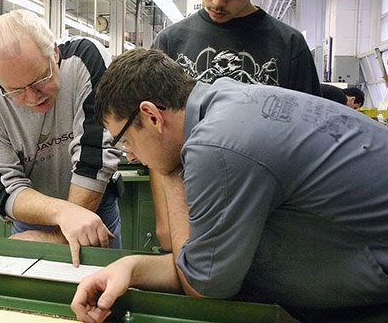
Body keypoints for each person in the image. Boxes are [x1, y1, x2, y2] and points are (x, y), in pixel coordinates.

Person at [71, 48, 388, 323]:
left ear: (152, 116)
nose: (131, 155)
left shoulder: (215, 147)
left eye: (127, 140)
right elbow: (205, 260)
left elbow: (204, 286)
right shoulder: (226, 98)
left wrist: (165, 168)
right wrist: (129, 267)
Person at [149, 0, 322, 251]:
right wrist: (166, 222)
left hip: (266, 216)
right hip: (189, 206)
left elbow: (308, 146)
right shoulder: (171, 43)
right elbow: (154, 143)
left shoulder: (288, 46)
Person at [0, 9, 122, 267]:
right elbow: (3, 186)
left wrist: (59, 237)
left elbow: (94, 154)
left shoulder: (86, 58)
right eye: (16, 90)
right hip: (35, 217)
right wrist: (62, 216)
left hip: (95, 209)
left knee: (104, 294)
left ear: (54, 53)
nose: (32, 97)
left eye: (40, 79)